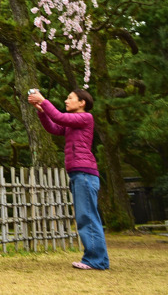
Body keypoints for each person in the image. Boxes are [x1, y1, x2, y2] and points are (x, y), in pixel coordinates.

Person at [28, 88, 110, 270]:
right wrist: (42, 112)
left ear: (82, 103)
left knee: (87, 217)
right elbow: (54, 127)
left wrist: (44, 100)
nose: (66, 100)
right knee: (85, 216)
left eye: (70, 98)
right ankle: (98, 260)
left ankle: (95, 261)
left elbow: (59, 117)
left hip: (85, 174)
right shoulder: (73, 123)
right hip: (78, 173)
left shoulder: (85, 117)